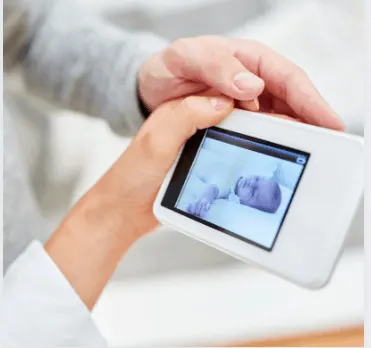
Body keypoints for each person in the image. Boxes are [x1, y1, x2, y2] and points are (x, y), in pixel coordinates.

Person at [2, 0, 344, 346]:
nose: (251, 183)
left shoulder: (224, 195)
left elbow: (24, 28)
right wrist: (113, 216)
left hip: (48, 189)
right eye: (257, 182)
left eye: (253, 191)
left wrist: (136, 77)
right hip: (55, 281)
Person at [186, 175, 282, 219]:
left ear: (246, 205)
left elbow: (215, 188)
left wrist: (204, 200)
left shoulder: (231, 192)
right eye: (257, 179)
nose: (251, 182)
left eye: (253, 192)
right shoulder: (236, 175)